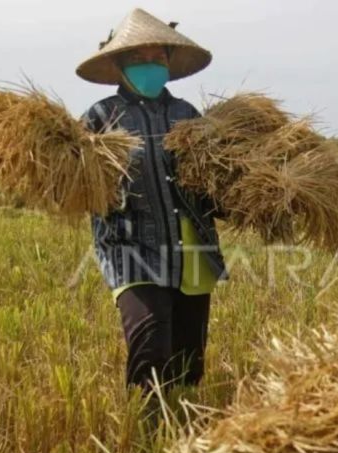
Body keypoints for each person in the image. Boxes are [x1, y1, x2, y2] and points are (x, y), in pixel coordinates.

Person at [78, 9, 227, 395]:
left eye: (158, 57)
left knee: (188, 360)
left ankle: (186, 423)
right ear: (120, 64)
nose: (150, 64)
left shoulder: (187, 115)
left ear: (169, 62)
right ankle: (147, 426)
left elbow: (212, 179)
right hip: (131, 247)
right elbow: (75, 184)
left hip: (192, 249)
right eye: (138, 57)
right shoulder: (100, 118)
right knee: (151, 350)